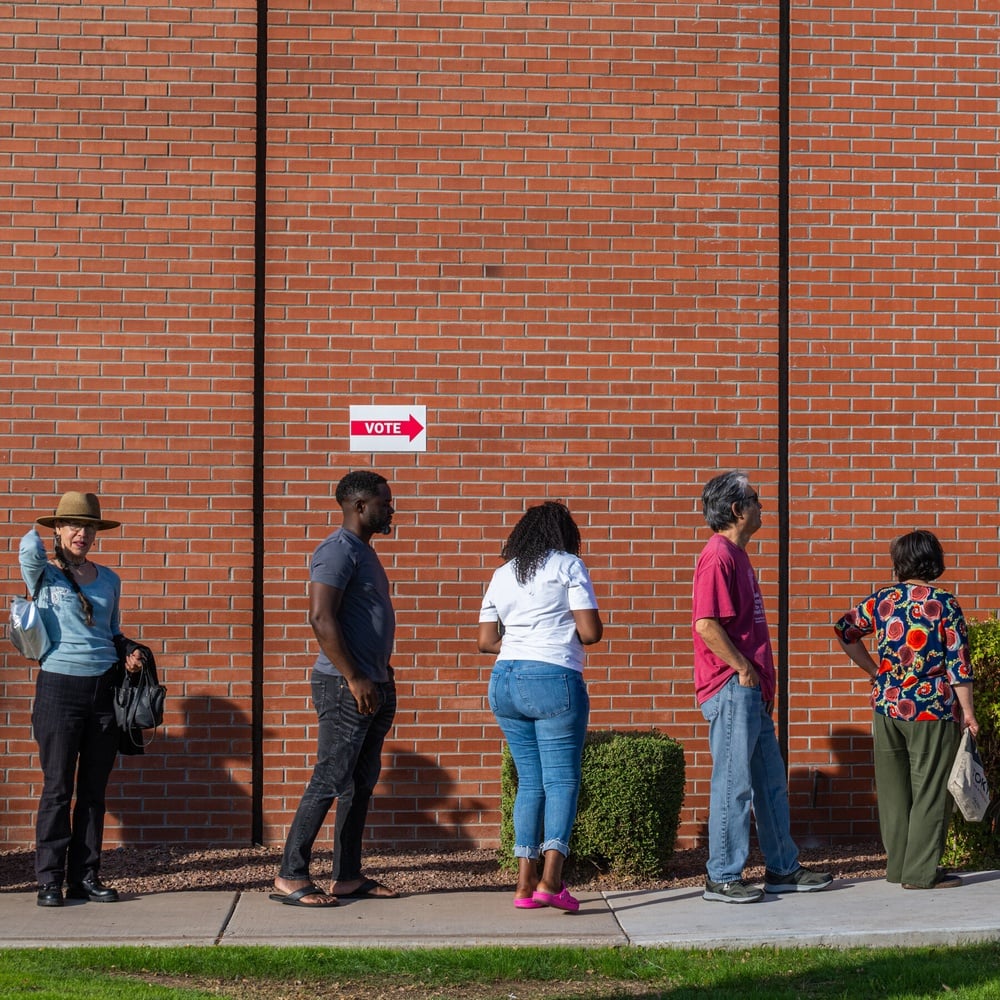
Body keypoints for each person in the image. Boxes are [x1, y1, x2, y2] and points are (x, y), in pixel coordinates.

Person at [692, 472, 832, 903]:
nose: (761, 505)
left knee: (770, 783)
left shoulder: (738, 555)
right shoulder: (718, 556)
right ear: (737, 510)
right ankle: (722, 876)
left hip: (751, 692)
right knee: (734, 783)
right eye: (755, 499)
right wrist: (743, 670)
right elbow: (705, 624)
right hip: (732, 688)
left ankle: (782, 869)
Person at [271, 470, 400, 907]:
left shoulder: (363, 551)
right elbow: (321, 617)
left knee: (359, 783)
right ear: (360, 506)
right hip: (346, 687)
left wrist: (380, 670)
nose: (391, 509)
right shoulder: (336, 550)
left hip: (374, 681)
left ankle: (347, 876)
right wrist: (355, 676)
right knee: (329, 778)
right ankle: (291, 875)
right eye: (384, 502)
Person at [20, 491, 146, 907]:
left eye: (88, 526)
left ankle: (86, 877)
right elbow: (26, 549)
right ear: (57, 529)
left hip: (104, 692)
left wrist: (127, 651)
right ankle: (49, 881)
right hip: (59, 688)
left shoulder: (109, 579)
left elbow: (110, 632)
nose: (82, 533)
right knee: (58, 789)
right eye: (72, 525)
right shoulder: (44, 574)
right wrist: (48, 543)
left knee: (93, 791)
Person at [834, 529, 977, 890]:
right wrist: (970, 714)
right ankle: (920, 873)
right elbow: (958, 665)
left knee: (894, 791)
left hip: (887, 706)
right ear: (934, 561)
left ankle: (898, 868)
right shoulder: (944, 603)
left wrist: (873, 671)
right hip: (931, 709)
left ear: (901, 563)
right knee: (930, 790)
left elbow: (843, 629)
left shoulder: (883, 600)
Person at [478, 501, 603, 913]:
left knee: (529, 783)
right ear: (563, 536)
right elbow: (590, 632)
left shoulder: (501, 573)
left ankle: (523, 886)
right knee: (562, 781)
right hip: (553, 677)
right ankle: (551, 882)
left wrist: (520, 644)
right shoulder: (568, 565)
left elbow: (485, 640)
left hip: (504, 680)